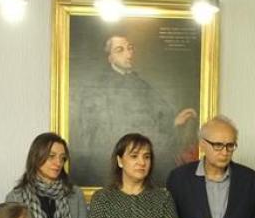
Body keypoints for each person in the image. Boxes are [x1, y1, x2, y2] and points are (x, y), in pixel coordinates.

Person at [69, 34, 199, 186]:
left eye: (130, 48)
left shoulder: (139, 83)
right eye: (120, 50)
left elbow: (159, 111)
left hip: (143, 157)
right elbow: (94, 134)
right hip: (112, 161)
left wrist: (174, 121)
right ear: (109, 58)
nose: (128, 53)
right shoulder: (97, 88)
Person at [6, 133, 90, 218]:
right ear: (37, 156)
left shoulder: (74, 195)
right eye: (51, 156)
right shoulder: (16, 198)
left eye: (62, 158)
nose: (58, 163)